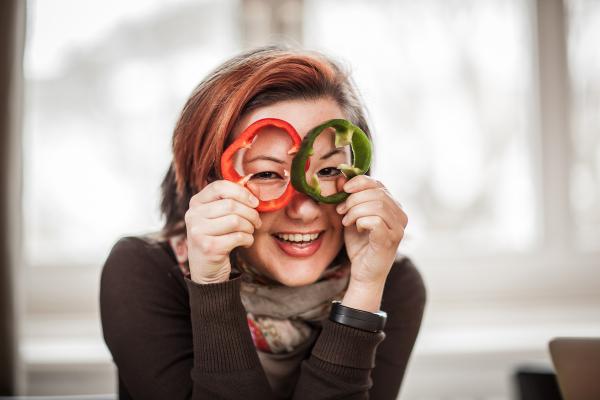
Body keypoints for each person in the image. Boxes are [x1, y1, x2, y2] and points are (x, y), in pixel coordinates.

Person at [100, 45, 426, 400]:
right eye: (267, 172)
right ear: (207, 182)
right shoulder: (141, 271)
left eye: (330, 170)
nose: (304, 210)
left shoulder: (391, 282)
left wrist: (364, 291)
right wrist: (211, 283)